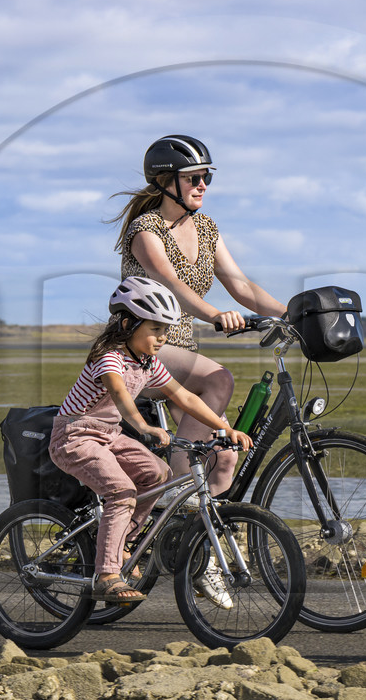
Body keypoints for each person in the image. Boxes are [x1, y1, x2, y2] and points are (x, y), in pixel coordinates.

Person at [48, 277, 253, 605]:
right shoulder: (110, 358)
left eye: (166, 331)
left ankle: (123, 542)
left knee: (158, 474)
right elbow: (119, 394)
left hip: (108, 436)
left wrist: (223, 428)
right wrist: (144, 426)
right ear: (128, 324)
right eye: (155, 329)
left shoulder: (148, 363)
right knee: (121, 491)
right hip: (75, 437)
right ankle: (107, 575)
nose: (163, 338)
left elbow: (185, 397)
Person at [108, 135, 286, 495]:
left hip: (180, 353)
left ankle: (195, 545)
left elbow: (242, 286)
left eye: (207, 177)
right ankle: (174, 488)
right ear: (164, 181)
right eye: (192, 177)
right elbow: (171, 284)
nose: (202, 185)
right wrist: (216, 314)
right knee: (220, 379)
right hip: (139, 350)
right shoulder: (146, 230)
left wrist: (293, 314)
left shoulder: (206, 229)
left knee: (224, 458)